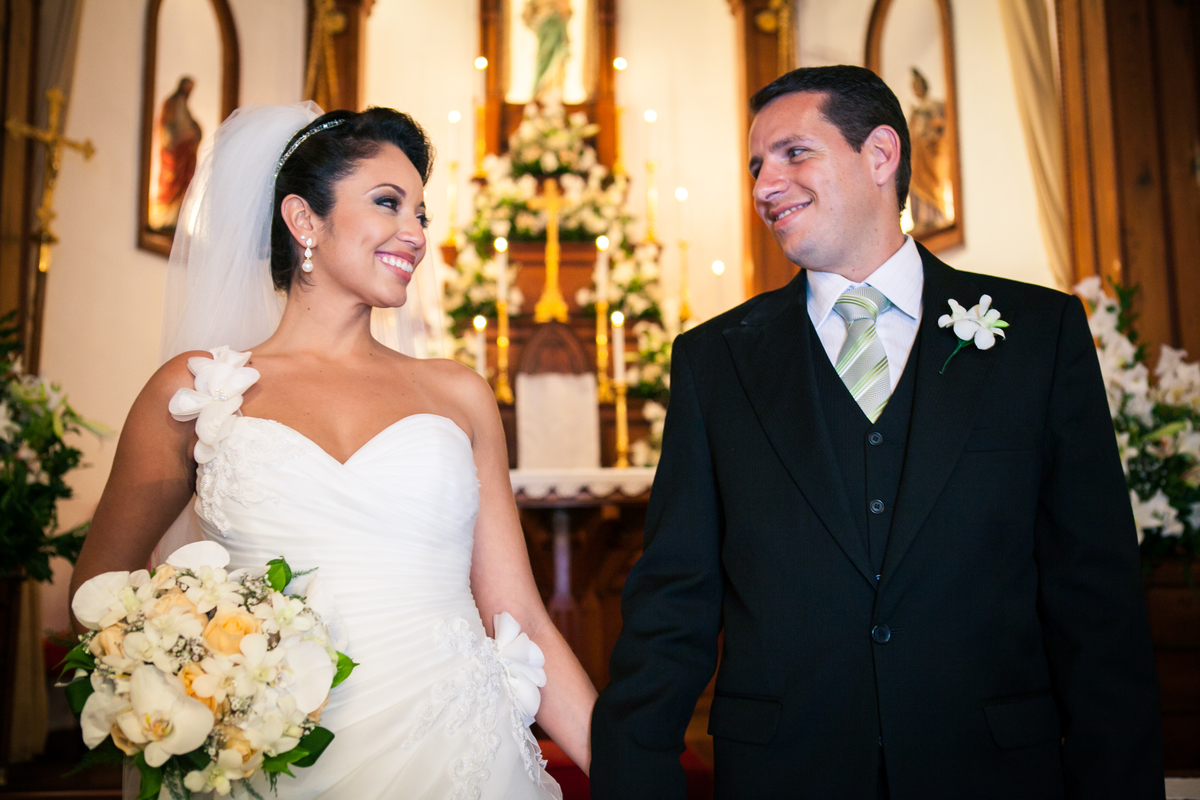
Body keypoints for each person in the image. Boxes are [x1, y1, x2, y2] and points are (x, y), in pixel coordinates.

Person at [590, 66, 1164, 799]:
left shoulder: (1038, 338)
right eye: (757, 165)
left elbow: (1095, 597)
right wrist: (632, 774)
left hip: (993, 770)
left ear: (882, 154)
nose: (767, 184)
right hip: (786, 772)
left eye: (794, 154)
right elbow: (675, 597)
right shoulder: (714, 360)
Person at [70, 103, 596, 799]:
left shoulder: (459, 394)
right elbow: (97, 599)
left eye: (421, 214)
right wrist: (199, 679)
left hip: (456, 750)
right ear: (304, 220)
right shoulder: (196, 389)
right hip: (268, 762)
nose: (414, 233)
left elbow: (521, 619)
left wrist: (631, 774)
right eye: (389, 204)